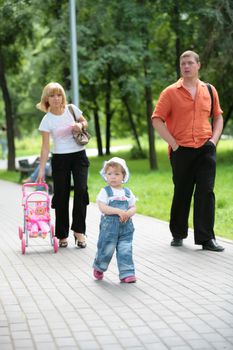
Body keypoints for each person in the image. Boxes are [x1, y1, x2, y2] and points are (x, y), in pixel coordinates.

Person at [151, 50, 224, 252]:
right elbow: (156, 119)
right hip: (181, 150)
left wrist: (214, 141)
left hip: (205, 149)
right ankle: (178, 233)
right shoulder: (170, 92)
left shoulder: (209, 90)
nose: (186, 66)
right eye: (183, 63)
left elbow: (217, 116)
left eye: (190, 63)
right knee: (182, 192)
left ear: (198, 65)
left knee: (206, 192)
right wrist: (174, 145)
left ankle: (206, 239)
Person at [36, 82, 90, 248]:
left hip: (79, 156)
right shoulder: (47, 120)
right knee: (61, 195)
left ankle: (79, 231)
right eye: (52, 95)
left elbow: (85, 122)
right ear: (46, 99)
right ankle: (62, 234)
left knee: (81, 190)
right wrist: (41, 170)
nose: (56, 98)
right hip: (60, 159)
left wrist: (80, 125)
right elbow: (45, 147)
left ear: (63, 97)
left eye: (59, 95)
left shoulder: (71, 109)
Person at [93, 157, 137, 283]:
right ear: (105, 176)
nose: (113, 177)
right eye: (109, 174)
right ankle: (99, 266)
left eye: (117, 174)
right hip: (109, 228)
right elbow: (102, 208)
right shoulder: (105, 191)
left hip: (125, 227)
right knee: (106, 248)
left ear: (124, 176)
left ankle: (127, 273)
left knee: (125, 249)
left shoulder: (127, 193)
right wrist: (118, 211)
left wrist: (128, 213)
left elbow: (133, 206)